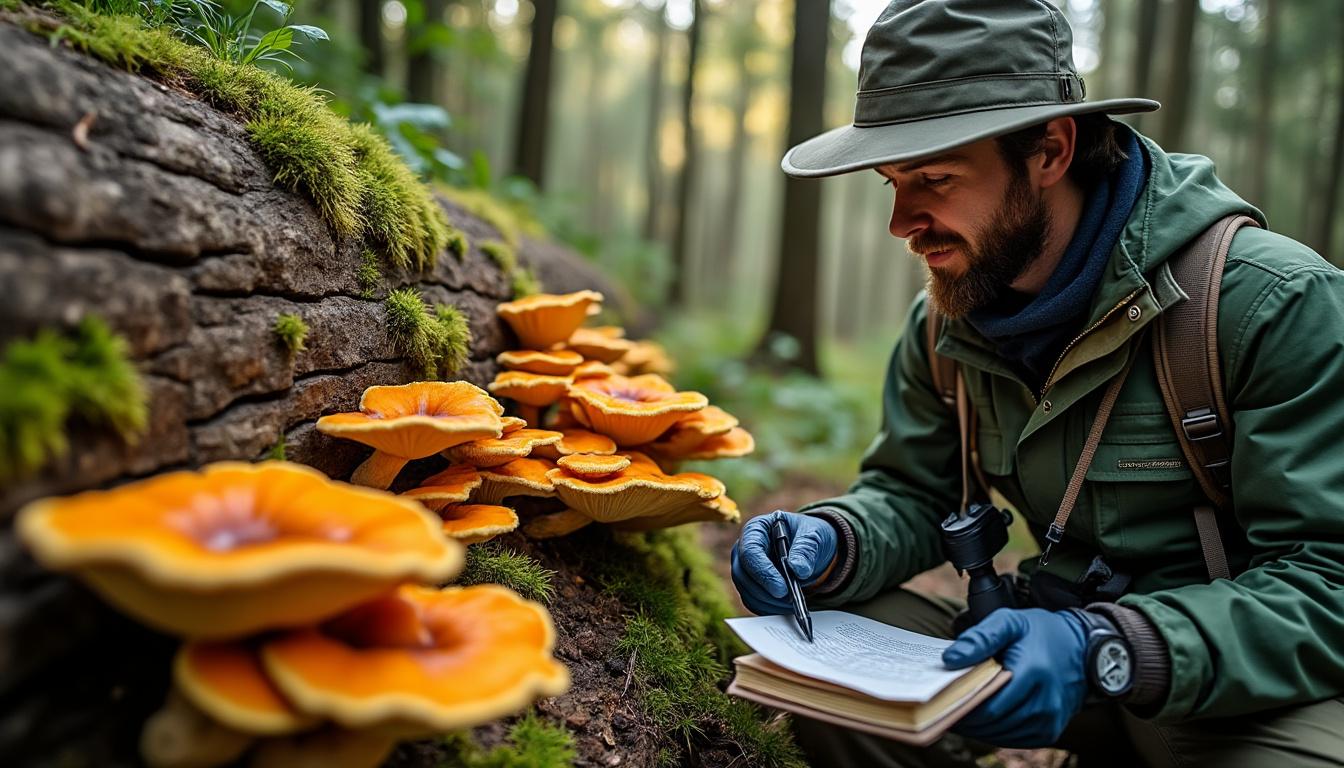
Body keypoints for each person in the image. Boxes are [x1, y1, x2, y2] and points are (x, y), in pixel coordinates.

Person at [730, 1, 1344, 766]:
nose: (902, 221)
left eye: (935, 178)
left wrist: (1111, 645)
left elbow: (1330, 582)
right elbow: (916, 495)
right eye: (892, 182)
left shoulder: (1267, 304)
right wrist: (835, 539)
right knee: (825, 657)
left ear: (1051, 150)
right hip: (1034, 648)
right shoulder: (944, 324)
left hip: (1222, 686)